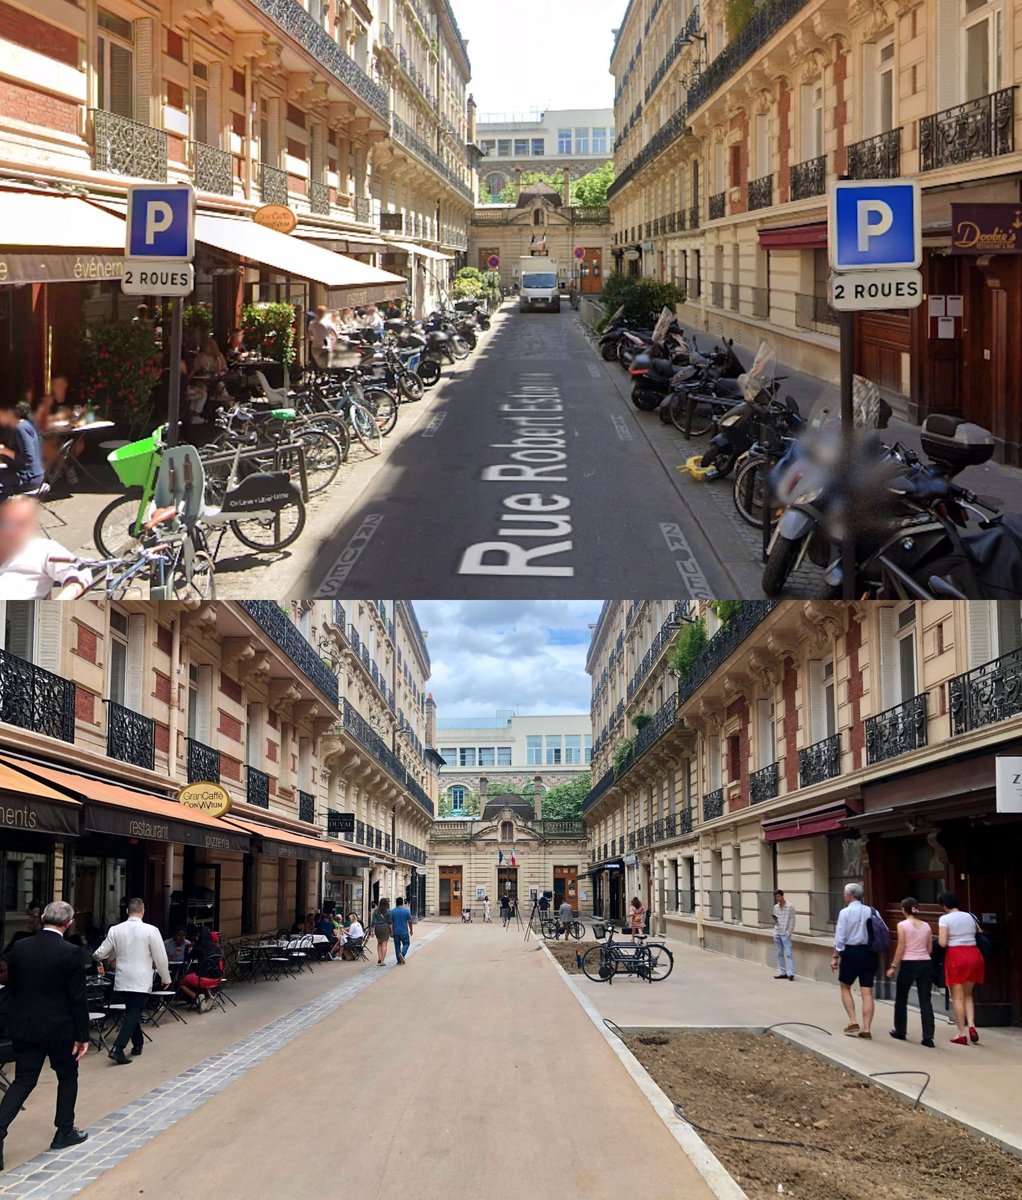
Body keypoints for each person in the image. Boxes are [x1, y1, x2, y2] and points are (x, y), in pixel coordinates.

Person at [0, 900, 90, 1168]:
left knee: (23, 1081)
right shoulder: (71, 952)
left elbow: (12, 986)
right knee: (67, 1076)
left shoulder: (20, 947)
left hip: (26, 1026)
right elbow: (78, 998)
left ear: (42, 919)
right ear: (68, 923)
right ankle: (64, 1130)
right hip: (60, 1029)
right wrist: (82, 1035)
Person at [93, 898, 170, 1063]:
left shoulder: (115, 930)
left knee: (131, 1011)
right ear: (143, 911)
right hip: (141, 978)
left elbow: (99, 953)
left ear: (127, 911)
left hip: (122, 978)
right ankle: (118, 1048)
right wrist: (165, 977)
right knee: (134, 1011)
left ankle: (138, 1044)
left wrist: (107, 957)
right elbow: (161, 957)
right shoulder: (151, 930)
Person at [0, 495, 91, 599]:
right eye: (5, 522)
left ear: (32, 525)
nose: (10, 529)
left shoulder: (42, 549)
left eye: (19, 523)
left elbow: (81, 573)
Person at [830, 882, 878, 1039]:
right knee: (867, 992)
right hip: (869, 953)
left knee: (845, 986)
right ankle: (866, 1028)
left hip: (851, 952)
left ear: (850, 896)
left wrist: (835, 956)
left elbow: (840, 937)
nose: (844, 896)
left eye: (844, 894)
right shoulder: (872, 911)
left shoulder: (845, 912)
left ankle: (852, 1020)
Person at [886, 897, 935, 1046]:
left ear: (903, 910)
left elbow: (901, 948)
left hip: (909, 963)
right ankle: (928, 1037)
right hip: (925, 963)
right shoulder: (927, 926)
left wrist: (893, 966)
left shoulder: (902, 925)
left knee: (901, 998)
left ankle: (900, 1030)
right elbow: (929, 949)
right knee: (925, 1000)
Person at [938, 890, 985, 1045]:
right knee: (968, 995)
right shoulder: (970, 916)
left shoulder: (945, 919)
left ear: (944, 905)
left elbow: (943, 943)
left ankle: (961, 1032)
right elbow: (979, 933)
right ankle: (972, 1025)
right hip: (974, 954)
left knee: (957, 997)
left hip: (956, 955)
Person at [0, 401, 45, 498]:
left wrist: (5, 451)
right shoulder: (23, 425)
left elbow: (29, 458)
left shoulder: (21, 428)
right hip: (24, 473)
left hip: (30, 477)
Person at [178, 928, 222, 1012]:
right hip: (217, 979)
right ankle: (209, 997)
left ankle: (198, 998)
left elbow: (189, 958)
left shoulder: (199, 948)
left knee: (182, 982)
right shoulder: (216, 948)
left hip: (203, 979)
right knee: (200, 977)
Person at [772, 889, 796, 980]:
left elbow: (793, 920)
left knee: (789, 953)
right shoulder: (776, 907)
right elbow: (776, 919)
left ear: (782, 896)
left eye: (778, 896)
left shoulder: (790, 907)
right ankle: (783, 972)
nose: (777, 898)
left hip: (785, 933)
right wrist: (775, 920)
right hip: (777, 932)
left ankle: (791, 973)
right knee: (779, 953)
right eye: (775, 897)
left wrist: (789, 932)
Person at [390, 896, 413, 965]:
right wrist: (411, 930)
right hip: (404, 931)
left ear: (396, 903)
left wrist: (391, 932)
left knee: (397, 946)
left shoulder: (392, 911)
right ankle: (402, 954)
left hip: (396, 931)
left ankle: (399, 961)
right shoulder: (406, 911)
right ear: (402, 903)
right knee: (406, 944)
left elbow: (390, 923)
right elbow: (410, 921)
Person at [370, 898, 391, 965]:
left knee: (379, 943)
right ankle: (382, 961)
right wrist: (392, 931)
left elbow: (373, 922)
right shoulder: (388, 912)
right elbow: (390, 922)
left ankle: (379, 957)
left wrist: (372, 931)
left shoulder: (376, 911)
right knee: (384, 944)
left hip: (378, 928)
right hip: (385, 928)